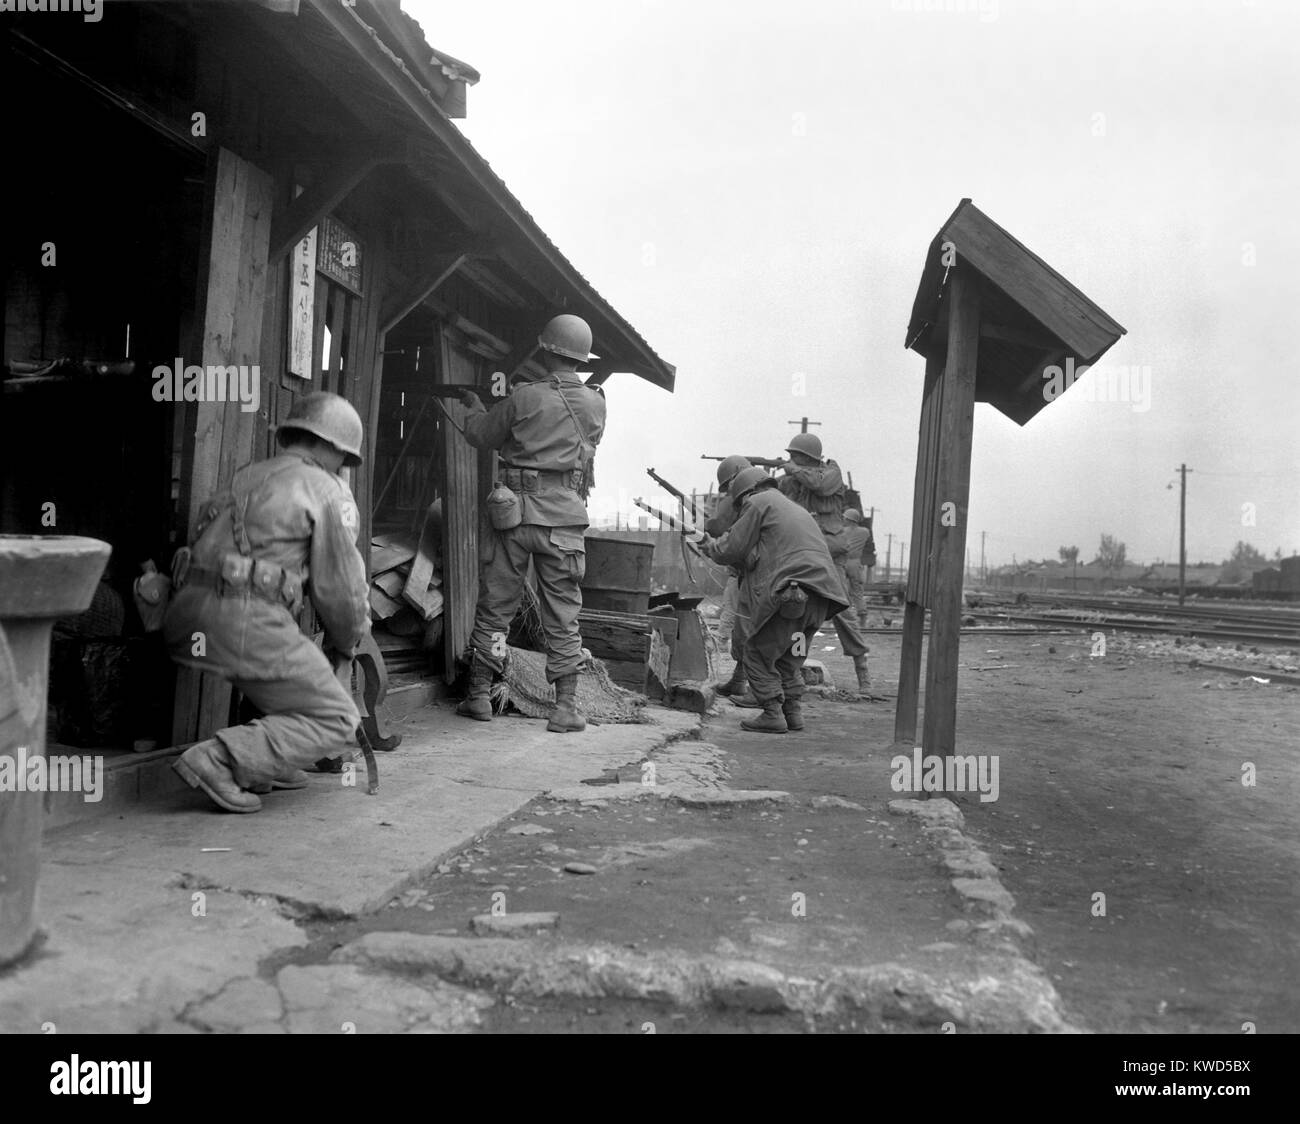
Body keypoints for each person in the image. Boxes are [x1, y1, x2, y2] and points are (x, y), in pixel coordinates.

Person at [165, 392, 370, 814]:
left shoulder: (246, 474)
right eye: (345, 460)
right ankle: (221, 760)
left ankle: (263, 763)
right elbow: (342, 592)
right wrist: (348, 643)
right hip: (243, 620)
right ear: (334, 447)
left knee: (282, 669)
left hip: (187, 616)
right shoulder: (326, 489)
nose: (343, 469)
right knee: (336, 718)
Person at [457, 313, 606, 733]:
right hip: (564, 520)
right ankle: (565, 706)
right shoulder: (596, 403)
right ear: (581, 357)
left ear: (544, 349)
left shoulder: (524, 397)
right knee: (563, 616)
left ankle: (479, 696)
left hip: (515, 516)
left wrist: (474, 411)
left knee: (497, 608)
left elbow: (482, 435)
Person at [702, 467, 848, 733]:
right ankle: (793, 713)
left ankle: (772, 713)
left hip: (793, 594)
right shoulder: (792, 508)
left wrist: (709, 546)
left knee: (755, 653)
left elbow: (731, 548)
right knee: (788, 658)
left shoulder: (757, 502)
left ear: (745, 493)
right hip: (821, 598)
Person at [777, 432, 872, 693]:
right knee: (797, 612)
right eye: (790, 457)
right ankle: (792, 671)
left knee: (842, 611)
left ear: (809, 458)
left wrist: (793, 471)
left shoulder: (831, 472)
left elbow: (819, 484)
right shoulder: (792, 481)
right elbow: (777, 497)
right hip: (803, 552)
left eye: (796, 457)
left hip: (830, 553)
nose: (791, 461)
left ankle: (862, 671)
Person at [706, 455, 758, 708]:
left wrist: (704, 524)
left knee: (748, 630)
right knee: (746, 629)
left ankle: (761, 692)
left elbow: (719, 527)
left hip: (748, 571)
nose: (729, 492)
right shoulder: (763, 494)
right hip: (755, 569)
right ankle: (740, 680)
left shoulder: (743, 499)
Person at [843, 508, 876, 627]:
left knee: (839, 589)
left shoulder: (841, 531)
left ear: (848, 519)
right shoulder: (865, 532)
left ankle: (840, 616)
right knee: (857, 591)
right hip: (856, 563)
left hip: (842, 562)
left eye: (845, 518)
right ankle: (862, 618)